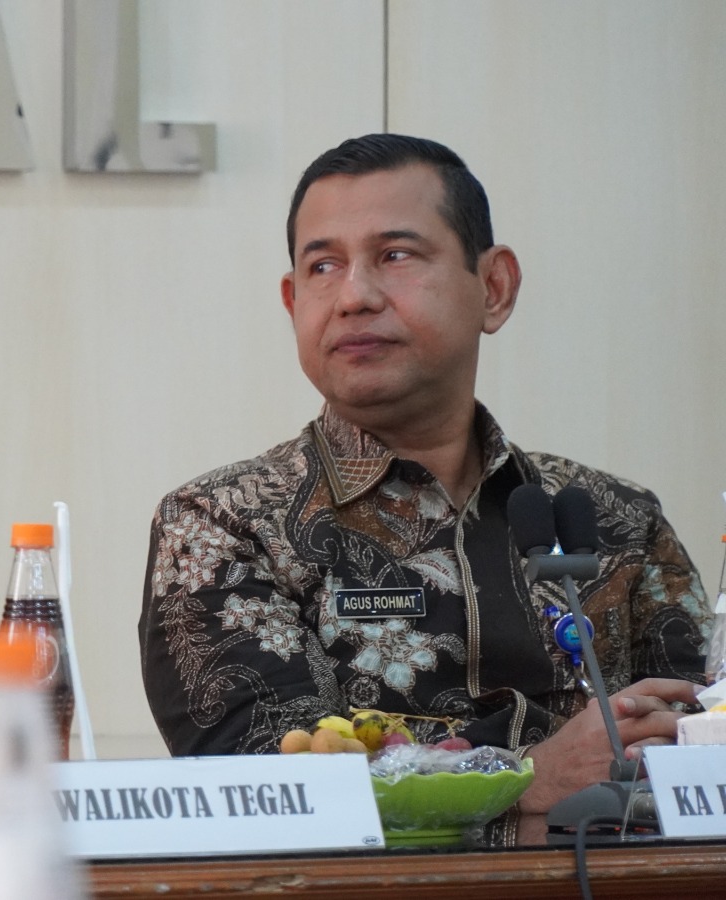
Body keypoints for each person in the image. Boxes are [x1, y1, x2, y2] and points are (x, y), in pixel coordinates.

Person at [139, 134, 709, 835]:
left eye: (396, 256)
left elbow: (705, 738)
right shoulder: (221, 524)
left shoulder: (614, 518)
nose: (354, 296)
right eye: (323, 266)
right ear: (292, 301)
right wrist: (527, 776)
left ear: (493, 288)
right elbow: (271, 788)